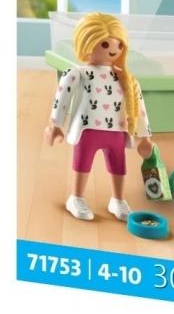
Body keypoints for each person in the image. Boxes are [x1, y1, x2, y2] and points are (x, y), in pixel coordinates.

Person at [43, 12, 153, 221]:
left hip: (117, 130)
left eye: (119, 45)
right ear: (86, 42)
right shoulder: (79, 73)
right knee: (82, 163)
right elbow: (62, 96)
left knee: (118, 166)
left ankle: (118, 200)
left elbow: (139, 107)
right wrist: (55, 124)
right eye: (105, 44)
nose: (113, 49)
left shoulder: (127, 79)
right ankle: (76, 198)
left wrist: (144, 136)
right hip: (88, 129)